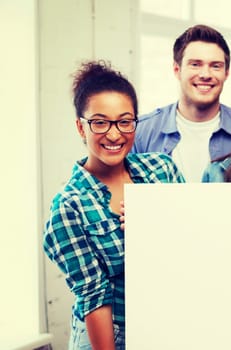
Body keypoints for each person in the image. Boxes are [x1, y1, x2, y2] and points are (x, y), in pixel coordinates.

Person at [43, 60, 183, 350]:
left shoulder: (162, 170)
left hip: (164, 320)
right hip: (111, 333)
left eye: (124, 121)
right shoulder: (69, 207)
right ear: (81, 127)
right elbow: (94, 297)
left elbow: (194, 237)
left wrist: (157, 224)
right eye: (100, 122)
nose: (115, 134)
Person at [132, 24, 231, 182]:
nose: (205, 74)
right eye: (195, 64)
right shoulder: (141, 132)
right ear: (177, 70)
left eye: (215, 66)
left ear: (226, 73)